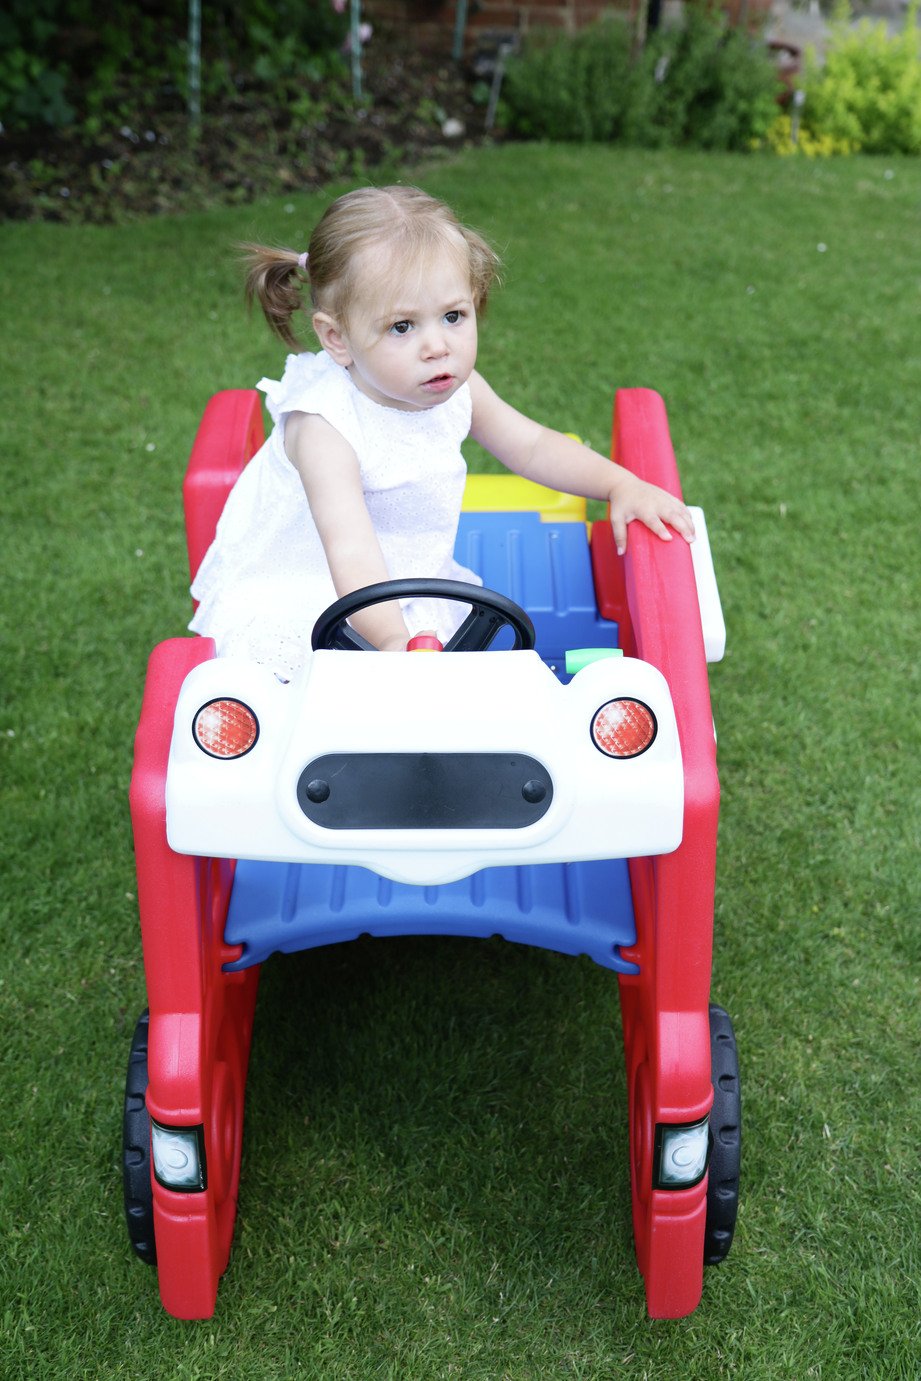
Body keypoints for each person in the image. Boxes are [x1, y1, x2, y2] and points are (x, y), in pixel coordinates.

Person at [190, 185, 694, 676]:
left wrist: (618, 485)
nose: (438, 346)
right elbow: (352, 554)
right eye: (402, 327)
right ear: (337, 339)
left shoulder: (457, 386)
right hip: (318, 588)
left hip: (403, 574)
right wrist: (391, 639)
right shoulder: (326, 429)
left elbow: (533, 446)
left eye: (453, 316)